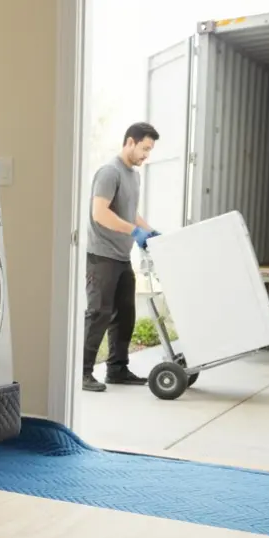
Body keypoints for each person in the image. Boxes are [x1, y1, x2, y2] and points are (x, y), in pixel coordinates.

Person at [82, 122, 160, 393]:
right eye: (145, 148)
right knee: (98, 313)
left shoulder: (134, 175)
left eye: (150, 150)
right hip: (101, 255)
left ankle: (117, 369)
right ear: (130, 142)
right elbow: (99, 213)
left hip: (121, 256)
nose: (146, 155)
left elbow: (130, 212)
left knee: (125, 314)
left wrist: (149, 231)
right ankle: (82, 372)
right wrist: (133, 230)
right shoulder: (109, 172)